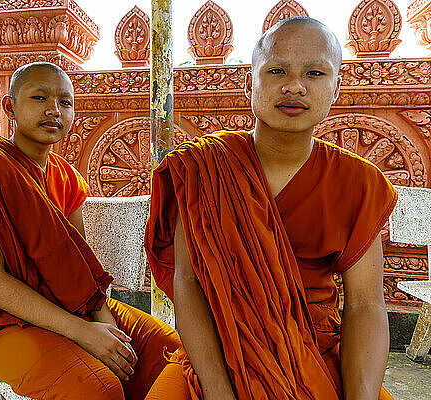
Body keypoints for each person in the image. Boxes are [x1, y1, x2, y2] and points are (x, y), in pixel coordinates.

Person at [144, 17, 396, 400]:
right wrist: (217, 390)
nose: (294, 86)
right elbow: (188, 283)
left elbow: (365, 305)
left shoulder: (357, 181)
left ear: (335, 87)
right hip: (216, 352)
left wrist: (360, 395)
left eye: (314, 73)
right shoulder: (204, 167)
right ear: (251, 83)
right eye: (277, 70)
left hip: (314, 355)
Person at [0, 62, 180, 400]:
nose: (54, 110)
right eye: (39, 97)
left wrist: (104, 325)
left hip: (68, 305)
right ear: (10, 106)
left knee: (175, 355)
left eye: (65, 102)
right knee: (98, 388)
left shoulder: (68, 179)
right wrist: (83, 332)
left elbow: (79, 271)